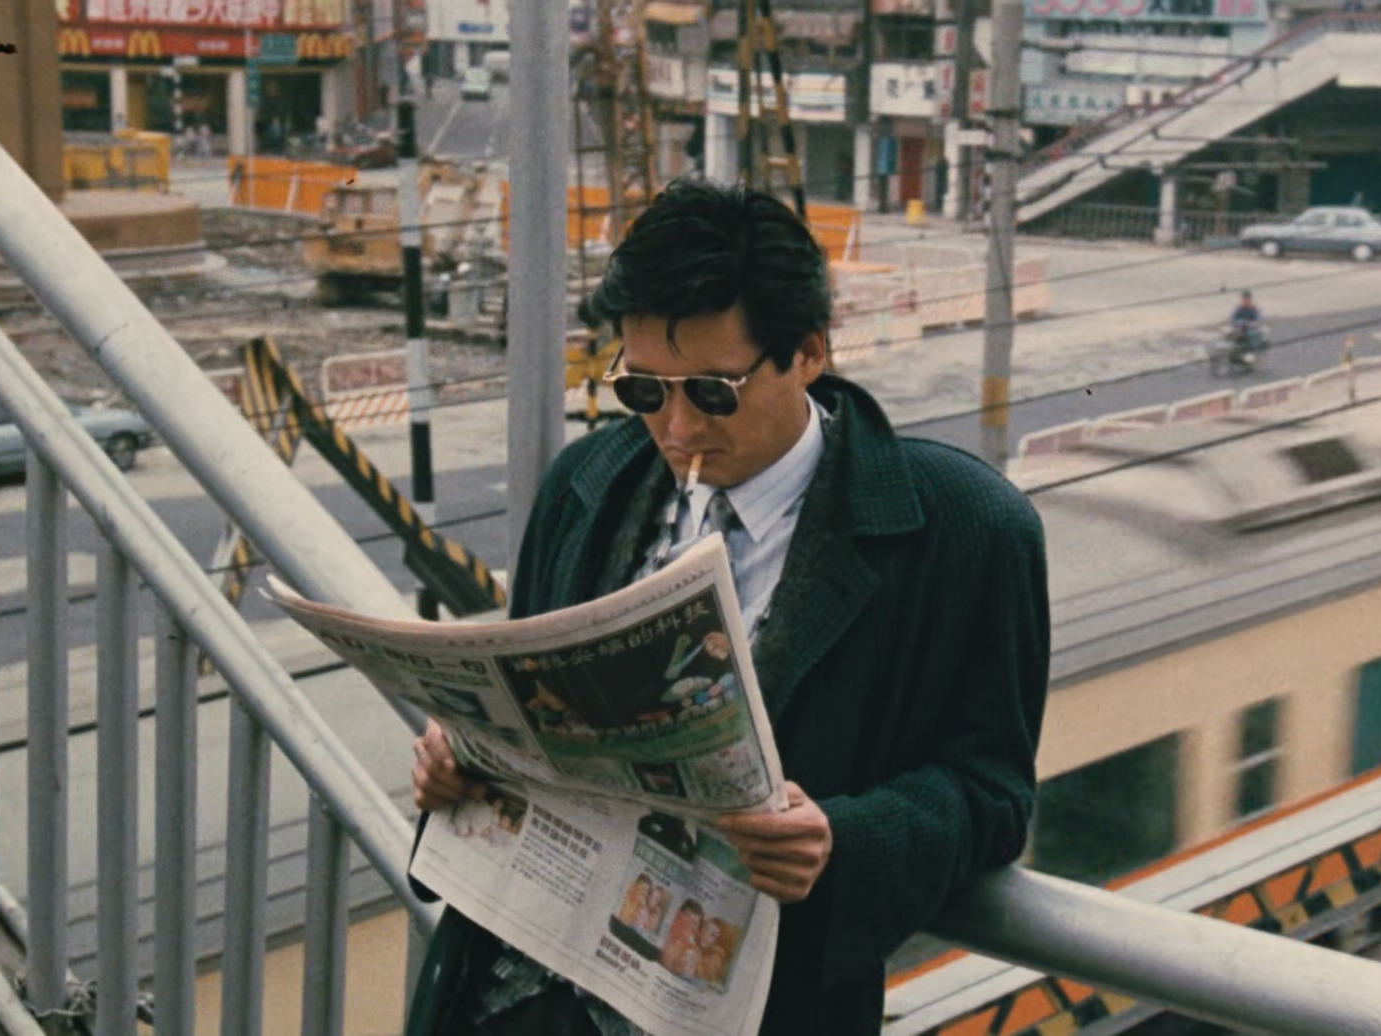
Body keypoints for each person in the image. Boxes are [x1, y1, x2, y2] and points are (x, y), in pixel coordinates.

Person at [408, 180, 1050, 1034]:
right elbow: (525, 712)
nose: (677, 429)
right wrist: (458, 761)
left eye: (712, 392)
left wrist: (842, 840)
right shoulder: (586, 485)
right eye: (644, 392)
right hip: (508, 996)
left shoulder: (965, 532)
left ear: (809, 353)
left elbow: (992, 793)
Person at [1228, 290, 1264, 365]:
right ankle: (1235, 354)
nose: (1245, 301)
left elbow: (1258, 321)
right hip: (1240, 329)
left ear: (1250, 300)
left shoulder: (1254, 309)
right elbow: (1232, 320)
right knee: (1233, 335)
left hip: (1251, 330)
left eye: (1247, 299)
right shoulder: (1239, 309)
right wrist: (1242, 323)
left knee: (1251, 334)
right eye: (1244, 299)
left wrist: (1249, 324)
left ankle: (1251, 353)